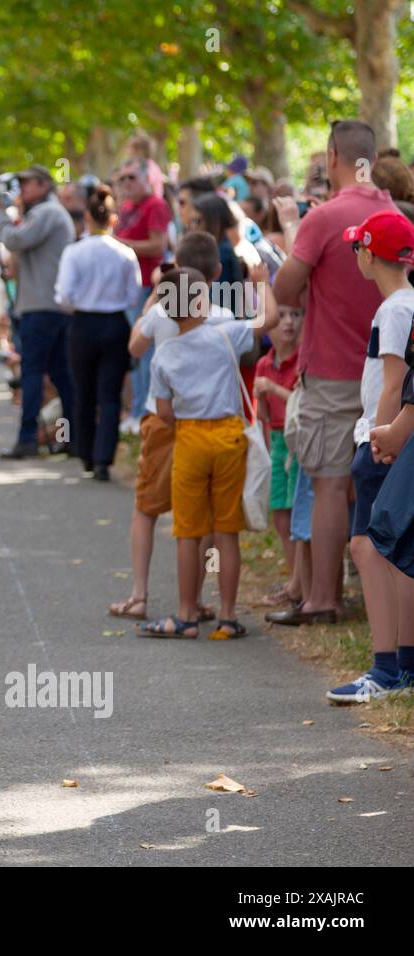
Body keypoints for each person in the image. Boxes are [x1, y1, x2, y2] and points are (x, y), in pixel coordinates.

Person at [270, 120, 398, 626]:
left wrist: (292, 232)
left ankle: (323, 598)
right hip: (389, 372)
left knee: (327, 483)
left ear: (332, 158)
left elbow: (283, 290)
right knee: (381, 483)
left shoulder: (325, 218)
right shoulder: (393, 214)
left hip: (331, 371)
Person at [140, 267, 275, 639]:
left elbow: (164, 412)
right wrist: (262, 283)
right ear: (201, 302)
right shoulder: (225, 335)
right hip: (229, 437)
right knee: (226, 531)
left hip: (189, 438)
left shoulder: (163, 356)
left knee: (188, 532)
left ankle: (185, 615)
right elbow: (270, 319)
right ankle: (228, 617)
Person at [109, 232, 230, 622]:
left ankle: (139, 594)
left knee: (147, 508)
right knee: (205, 517)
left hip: (163, 421)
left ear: (176, 268)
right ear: (217, 272)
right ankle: (194, 599)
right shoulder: (224, 314)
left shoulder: (162, 311)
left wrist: (149, 304)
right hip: (208, 423)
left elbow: (134, 348)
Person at [327, 210, 414, 703]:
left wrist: (375, 438)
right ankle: (402, 664)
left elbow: (395, 380)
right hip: (391, 439)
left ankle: (386, 668)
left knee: (370, 548)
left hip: (383, 441)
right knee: (395, 553)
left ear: (367, 252)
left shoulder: (396, 310)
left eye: (355, 248)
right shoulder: (403, 304)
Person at [52, 183, 140, 479]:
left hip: (84, 323)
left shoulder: (75, 252)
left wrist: (79, 304)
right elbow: (132, 295)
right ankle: (104, 458)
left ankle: (86, 453)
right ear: (113, 219)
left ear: (87, 218)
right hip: (115, 323)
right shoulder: (125, 253)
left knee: (83, 391)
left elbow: (63, 296)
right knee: (110, 394)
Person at [0, 163, 75, 459]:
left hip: (42, 307)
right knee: (62, 375)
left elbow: (15, 239)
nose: (22, 190)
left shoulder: (47, 213)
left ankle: (27, 439)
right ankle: (72, 438)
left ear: (43, 185)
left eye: (27, 184)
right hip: (50, 306)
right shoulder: (48, 213)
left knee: (33, 372)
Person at [114, 157, 172, 429]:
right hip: (128, 288)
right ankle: (137, 409)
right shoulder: (125, 207)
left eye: (131, 178)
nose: (126, 183)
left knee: (145, 348)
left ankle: (146, 413)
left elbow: (158, 246)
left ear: (147, 179)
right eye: (122, 179)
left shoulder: (156, 205)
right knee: (134, 351)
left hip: (148, 286)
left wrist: (119, 245)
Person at [252, 309, 302, 606]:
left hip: (297, 438)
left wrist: (272, 388)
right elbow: (263, 415)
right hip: (276, 440)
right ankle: (293, 579)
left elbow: (299, 401)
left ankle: (301, 583)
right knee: (281, 516)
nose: (288, 322)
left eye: (295, 315)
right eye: (280, 316)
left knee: (298, 511)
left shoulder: (301, 361)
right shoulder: (263, 363)